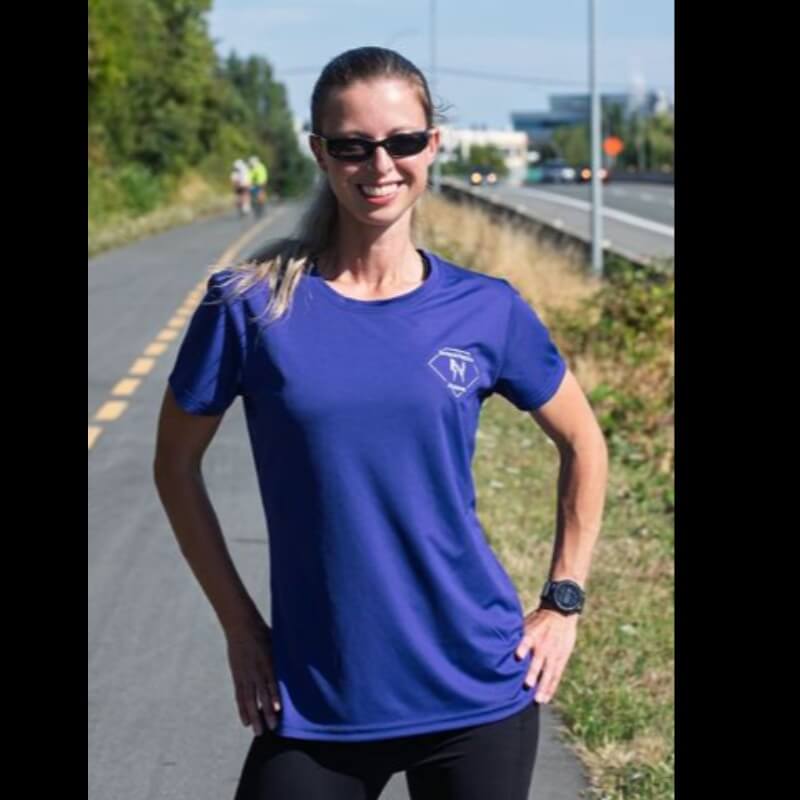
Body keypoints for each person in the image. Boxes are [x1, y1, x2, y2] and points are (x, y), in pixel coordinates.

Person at [154, 46, 608, 800]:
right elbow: (174, 466)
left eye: (402, 141)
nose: (380, 165)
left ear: (433, 146)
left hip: (477, 690)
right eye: (352, 146)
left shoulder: (486, 309)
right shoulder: (248, 304)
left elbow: (584, 442)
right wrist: (240, 627)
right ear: (320, 152)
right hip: (315, 698)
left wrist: (563, 601)